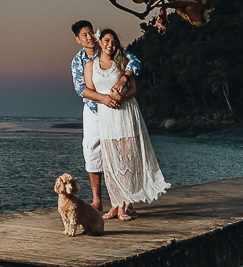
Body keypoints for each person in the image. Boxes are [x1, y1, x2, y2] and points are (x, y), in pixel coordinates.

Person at [84, 28, 170, 220]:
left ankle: (124, 205)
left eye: (114, 42)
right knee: (111, 161)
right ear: (99, 42)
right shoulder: (90, 65)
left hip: (124, 113)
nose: (110, 45)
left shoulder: (123, 62)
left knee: (127, 158)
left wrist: (121, 99)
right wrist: (106, 99)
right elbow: (89, 91)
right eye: (106, 40)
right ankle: (115, 204)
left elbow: (132, 90)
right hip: (106, 114)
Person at [69, 19, 142, 212]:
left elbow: (135, 62)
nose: (90, 37)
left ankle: (124, 201)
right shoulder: (78, 61)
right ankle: (97, 201)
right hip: (93, 110)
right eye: (84, 35)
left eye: (91, 32)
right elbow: (80, 88)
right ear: (78, 39)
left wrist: (125, 77)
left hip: (116, 110)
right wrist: (103, 98)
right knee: (92, 150)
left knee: (121, 152)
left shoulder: (108, 48)